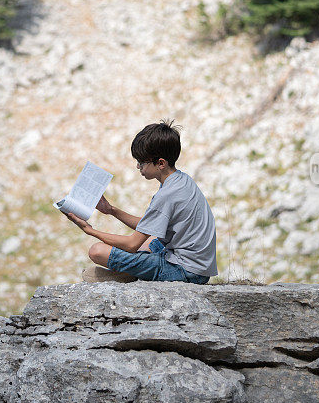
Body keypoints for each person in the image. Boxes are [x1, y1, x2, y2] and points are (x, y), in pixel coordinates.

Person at [63, 119, 216, 284]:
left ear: (161, 163)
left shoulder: (167, 194)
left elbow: (131, 245)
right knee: (149, 241)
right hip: (195, 263)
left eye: (141, 162)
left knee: (97, 251)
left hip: (187, 271)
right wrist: (111, 210)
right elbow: (148, 227)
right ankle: (133, 271)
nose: (138, 167)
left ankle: (131, 272)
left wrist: (90, 230)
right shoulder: (180, 180)